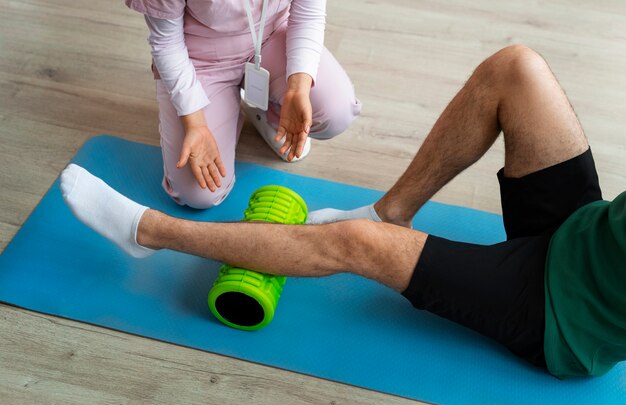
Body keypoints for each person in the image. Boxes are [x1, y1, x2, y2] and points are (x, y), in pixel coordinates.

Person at [61, 45, 626, 379]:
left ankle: (151, 232)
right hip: (587, 233)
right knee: (516, 67)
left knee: (356, 244)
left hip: (563, 315)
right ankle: (392, 212)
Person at [125, 0, 361, 208]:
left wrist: (297, 89)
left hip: (271, 35)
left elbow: (308, 13)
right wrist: (195, 123)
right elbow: (166, 43)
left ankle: (267, 110)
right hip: (199, 57)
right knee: (200, 194)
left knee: (335, 114)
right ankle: (227, 107)